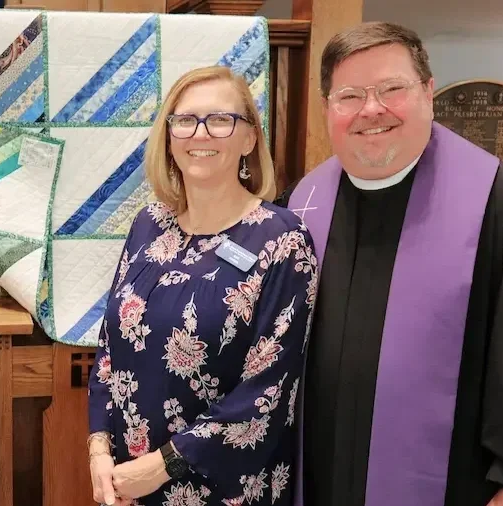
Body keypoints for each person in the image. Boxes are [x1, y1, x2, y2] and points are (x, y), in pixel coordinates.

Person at [274, 22, 503, 506]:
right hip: (316, 480)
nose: (371, 109)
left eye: (392, 89)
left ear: (428, 92)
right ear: (327, 108)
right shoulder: (298, 208)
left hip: (459, 487)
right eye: (349, 96)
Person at [86, 65, 318, 506]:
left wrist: (163, 466)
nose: (200, 133)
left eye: (221, 119)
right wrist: (99, 449)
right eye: (186, 120)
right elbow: (109, 347)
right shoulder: (148, 225)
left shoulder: (283, 240)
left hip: (223, 489)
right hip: (127, 484)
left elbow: (268, 391)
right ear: (169, 136)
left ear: (249, 138)